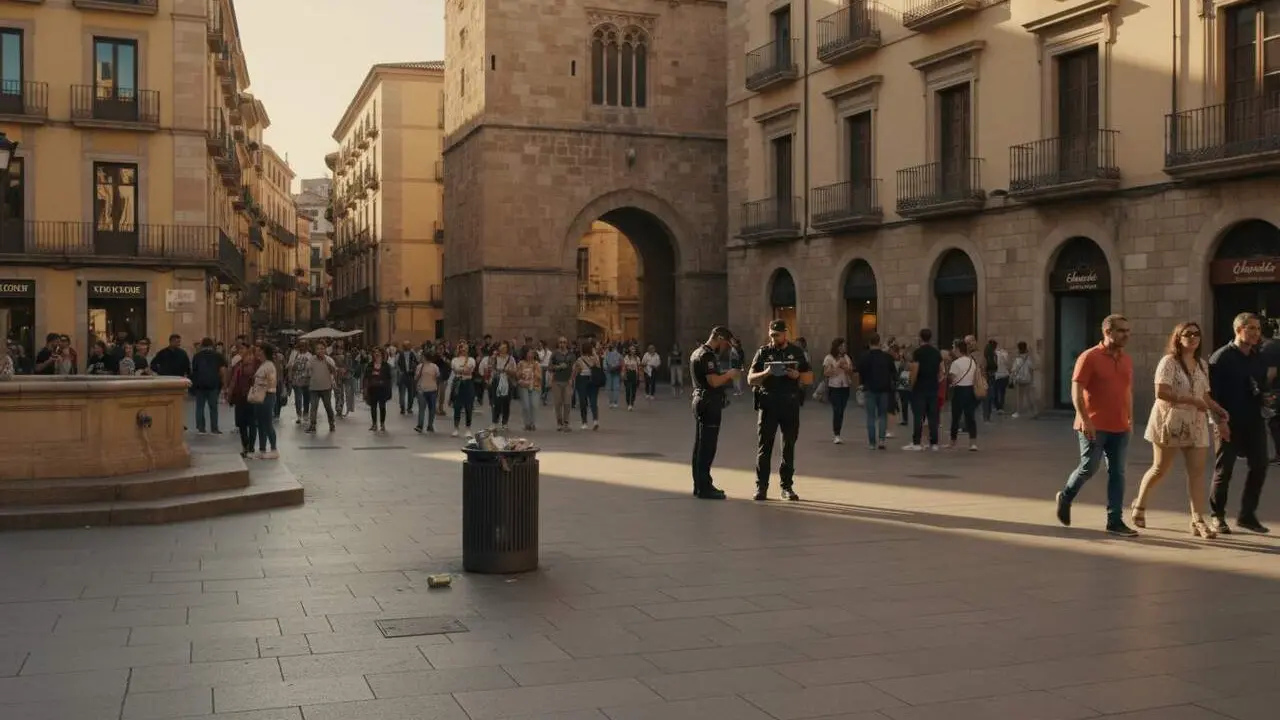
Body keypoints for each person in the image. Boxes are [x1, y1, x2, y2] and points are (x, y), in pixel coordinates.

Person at [1133, 321, 1229, 538]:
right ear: (1178, 337)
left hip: (1196, 423)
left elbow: (1204, 396)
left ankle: (1198, 520)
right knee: (1160, 468)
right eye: (1188, 334)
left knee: (1196, 473)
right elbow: (1161, 392)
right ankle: (1139, 504)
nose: (1193, 338)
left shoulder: (1202, 364)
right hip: (1170, 421)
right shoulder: (1169, 362)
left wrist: (1217, 409)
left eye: (1197, 334)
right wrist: (1191, 400)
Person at [1054, 314, 1138, 536]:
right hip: (1094, 425)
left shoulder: (1127, 359)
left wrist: (1130, 417)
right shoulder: (1089, 357)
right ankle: (1066, 496)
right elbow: (1077, 391)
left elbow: (1127, 391)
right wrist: (1085, 419)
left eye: (1128, 331)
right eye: (1121, 330)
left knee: (1118, 473)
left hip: (1120, 426)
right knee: (1089, 467)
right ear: (1107, 332)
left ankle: (1115, 520)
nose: (1126, 335)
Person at [1208, 312, 1272, 534]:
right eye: (1251, 328)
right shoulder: (1221, 358)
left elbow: (1260, 387)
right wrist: (1219, 422)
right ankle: (1217, 515)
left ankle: (1247, 515)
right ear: (1238, 329)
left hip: (1253, 420)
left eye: (1258, 328)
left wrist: (1265, 397)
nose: (1256, 333)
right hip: (1228, 422)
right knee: (1224, 471)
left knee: (1261, 465)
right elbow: (1211, 395)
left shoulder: (1257, 357)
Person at [747, 320, 813, 501]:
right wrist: (767, 372)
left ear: (785, 333)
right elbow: (750, 379)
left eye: (777, 335)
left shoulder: (796, 352)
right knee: (764, 447)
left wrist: (797, 375)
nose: (774, 338)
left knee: (788, 446)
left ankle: (787, 487)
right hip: (768, 404)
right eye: (771, 335)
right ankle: (761, 487)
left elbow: (809, 378)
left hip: (789, 404)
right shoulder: (763, 352)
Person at [689, 327, 738, 500]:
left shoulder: (697, 352)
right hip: (709, 403)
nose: (724, 347)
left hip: (700, 400)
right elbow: (713, 381)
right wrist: (729, 374)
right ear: (718, 338)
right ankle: (705, 486)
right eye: (724, 343)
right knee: (707, 446)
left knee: (700, 445)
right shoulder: (707, 356)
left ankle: (699, 484)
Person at [904, 328, 942, 451]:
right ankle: (934, 443)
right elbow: (941, 372)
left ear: (920, 337)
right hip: (933, 387)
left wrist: (910, 385)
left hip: (920, 388)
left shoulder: (918, 353)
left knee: (918, 416)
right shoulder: (936, 353)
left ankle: (916, 442)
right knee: (933, 416)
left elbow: (915, 370)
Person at [857, 333, 897, 450]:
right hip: (884, 389)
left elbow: (860, 372)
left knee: (870, 416)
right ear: (879, 342)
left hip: (869, 389)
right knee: (882, 415)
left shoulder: (864, 357)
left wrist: (861, 384)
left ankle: (872, 443)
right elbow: (893, 373)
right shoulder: (887, 357)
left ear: (869, 343)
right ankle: (882, 440)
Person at [946, 340, 980, 451]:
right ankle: (973, 443)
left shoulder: (956, 363)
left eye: (954, 348)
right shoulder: (972, 361)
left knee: (956, 417)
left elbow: (951, 377)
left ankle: (953, 441)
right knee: (970, 417)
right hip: (970, 390)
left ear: (958, 349)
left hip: (959, 390)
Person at [191, 338, 227, 434]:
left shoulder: (197, 356)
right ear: (212, 345)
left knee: (199, 407)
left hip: (200, 385)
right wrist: (223, 384)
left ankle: (200, 427)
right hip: (213, 384)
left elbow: (194, 371)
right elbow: (222, 371)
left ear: (202, 345)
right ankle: (214, 428)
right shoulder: (217, 356)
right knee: (213, 407)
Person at [821, 338, 853, 444]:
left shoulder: (847, 357)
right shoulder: (829, 358)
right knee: (837, 409)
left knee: (841, 410)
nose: (844, 348)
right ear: (837, 347)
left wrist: (846, 368)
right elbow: (826, 373)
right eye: (842, 346)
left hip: (845, 386)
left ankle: (838, 431)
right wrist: (837, 365)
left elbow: (851, 370)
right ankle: (837, 434)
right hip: (834, 386)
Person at [250, 344, 279, 459]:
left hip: (267, 395)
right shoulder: (263, 365)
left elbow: (271, 382)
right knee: (261, 424)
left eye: (259, 350)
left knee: (267, 423)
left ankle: (274, 449)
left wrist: (260, 384)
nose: (257, 352)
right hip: (260, 396)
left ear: (263, 352)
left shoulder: (270, 365)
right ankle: (262, 449)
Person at [306, 342, 338, 434]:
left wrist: (326, 361)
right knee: (313, 407)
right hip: (314, 388)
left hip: (326, 387)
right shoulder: (311, 360)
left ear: (325, 349)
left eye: (322, 348)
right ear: (315, 350)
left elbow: (334, 371)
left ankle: (331, 423)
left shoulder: (329, 360)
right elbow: (308, 371)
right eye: (318, 348)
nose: (320, 350)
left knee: (328, 406)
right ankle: (312, 425)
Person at [450, 340, 478, 436]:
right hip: (458, 383)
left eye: (465, 348)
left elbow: (469, 371)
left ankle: (468, 429)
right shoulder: (454, 360)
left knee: (468, 407)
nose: (463, 350)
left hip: (468, 383)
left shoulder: (471, 360)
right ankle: (456, 428)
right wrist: (463, 370)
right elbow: (455, 369)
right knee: (457, 406)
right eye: (461, 348)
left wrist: (461, 370)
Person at [573, 341, 602, 430]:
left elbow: (575, 370)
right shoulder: (595, 358)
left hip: (582, 380)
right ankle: (595, 420)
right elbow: (599, 366)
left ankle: (584, 422)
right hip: (593, 380)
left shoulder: (579, 359)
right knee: (593, 401)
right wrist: (594, 353)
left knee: (583, 401)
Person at [488, 341, 517, 430]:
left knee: (506, 402)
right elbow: (490, 368)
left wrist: (508, 371)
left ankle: (505, 422)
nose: (503, 349)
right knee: (496, 402)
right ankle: (494, 422)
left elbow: (514, 371)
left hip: (507, 381)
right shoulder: (494, 358)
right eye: (501, 347)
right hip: (496, 381)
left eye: (505, 348)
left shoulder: (511, 359)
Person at [549, 337, 576, 431]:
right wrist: (558, 367)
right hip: (557, 381)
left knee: (567, 403)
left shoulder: (571, 355)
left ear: (566, 343)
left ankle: (566, 423)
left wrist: (572, 379)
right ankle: (559, 422)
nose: (562, 344)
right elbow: (550, 367)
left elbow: (574, 368)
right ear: (558, 343)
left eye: (564, 342)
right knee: (558, 403)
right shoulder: (554, 354)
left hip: (567, 381)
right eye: (560, 342)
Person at [364, 346, 393, 432]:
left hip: (383, 389)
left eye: (378, 352)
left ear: (382, 354)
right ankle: (374, 424)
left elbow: (389, 378)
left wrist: (389, 390)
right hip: (372, 389)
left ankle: (382, 424)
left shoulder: (386, 366)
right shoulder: (369, 365)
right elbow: (366, 377)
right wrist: (365, 389)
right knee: (373, 407)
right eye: (375, 352)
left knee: (382, 407)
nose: (376, 354)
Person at [414, 346, 440, 433]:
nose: (421, 358)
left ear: (425, 357)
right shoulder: (420, 367)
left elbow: (437, 376)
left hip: (431, 390)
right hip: (423, 390)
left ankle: (430, 425)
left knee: (431, 409)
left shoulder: (434, 366)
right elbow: (416, 377)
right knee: (423, 408)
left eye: (422, 356)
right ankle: (420, 425)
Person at [516, 348, 542, 431]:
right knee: (526, 406)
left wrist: (534, 370)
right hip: (524, 386)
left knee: (534, 405)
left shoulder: (537, 364)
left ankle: (532, 423)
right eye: (529, 353)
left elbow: (540, 377)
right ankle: (527, 423)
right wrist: (522, 373)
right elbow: (517, 375)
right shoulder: (521, 363)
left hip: (535, 386)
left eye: (532, 353)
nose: (530, 355)